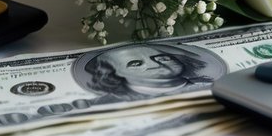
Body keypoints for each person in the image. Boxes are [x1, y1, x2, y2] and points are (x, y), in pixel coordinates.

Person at [80, 43, 219, 100]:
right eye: (135, 63)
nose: (155, 63)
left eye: (163, 57)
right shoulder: (110, 101)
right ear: (112, 72)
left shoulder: (213, 85)